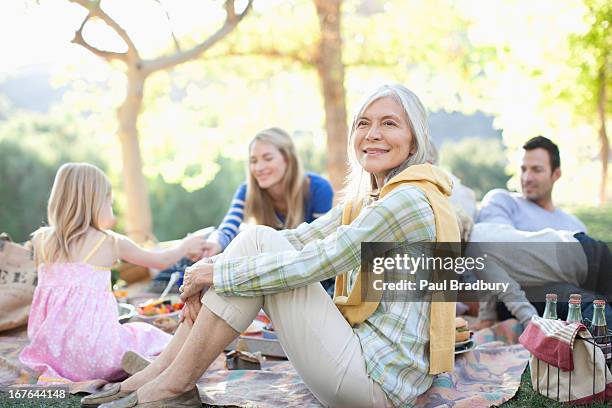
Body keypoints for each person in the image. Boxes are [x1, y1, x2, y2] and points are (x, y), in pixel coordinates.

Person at [84, 84, 460, 408]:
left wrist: (217, 272)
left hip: (376, 385)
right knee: (256, 238)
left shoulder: (408, 200)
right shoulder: (373, 198)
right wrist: (214, 273)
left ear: (415, 139)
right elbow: (297, 239)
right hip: (360, 365)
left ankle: (169, 384)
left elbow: (320, 260)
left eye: (389, 123)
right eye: (364, 123)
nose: (373, 133)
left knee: (255, 251)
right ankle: (161, 375)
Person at [19, 163, 207, 383]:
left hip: (52, 355)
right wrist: (186, 245)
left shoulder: (40, 240)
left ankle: (147, 365)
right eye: (109, 201)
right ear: (95, 202)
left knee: (131, 337)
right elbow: (161, 260)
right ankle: (154, 366)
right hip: (99, 357)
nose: (111, 206)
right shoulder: (109, 242)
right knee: (147, 335)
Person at [150, 127, 335, 294]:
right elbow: (229, 225)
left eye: (267, 158)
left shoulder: (318, 188)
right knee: (223, 239)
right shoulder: (247, 190)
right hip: (271, 267)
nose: (259, 167)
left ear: (287, 159)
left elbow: (318, 243)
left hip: (308, 271)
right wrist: (215, 243)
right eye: (253, 161)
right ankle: (173, 275)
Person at [474, 136, 611, 326]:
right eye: (523, 169)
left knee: (595, 299)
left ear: (556, 174)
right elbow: (492, 257)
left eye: (536, 170)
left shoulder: (574, 225)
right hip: (519, 295)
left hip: (570, 288)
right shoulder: (502, 201)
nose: (527, 177)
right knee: (582, 301)